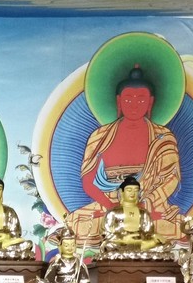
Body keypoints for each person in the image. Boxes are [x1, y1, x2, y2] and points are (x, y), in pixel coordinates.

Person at [67, 64, 181, 244]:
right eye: (128, 99)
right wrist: (112, 207)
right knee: (75, 225)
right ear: (118, 101)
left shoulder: (163, 137)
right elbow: (88, 181)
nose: (134, 105)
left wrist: (146, 204)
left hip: (150, 205)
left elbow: (171, 179)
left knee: (175, 226)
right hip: (108, 204)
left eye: (141, 99)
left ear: (151, 102)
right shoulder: (100, 136)